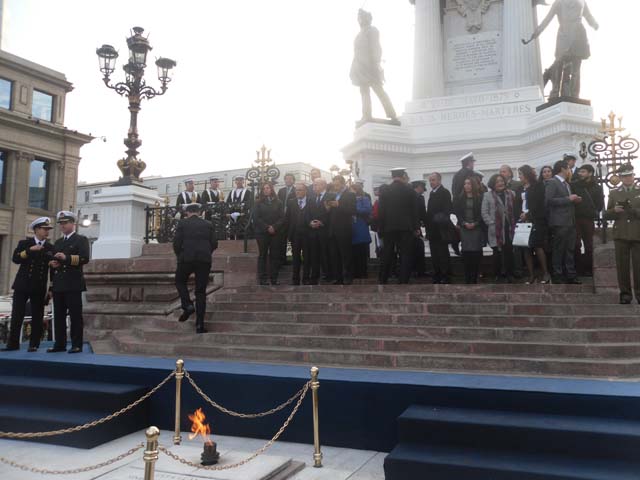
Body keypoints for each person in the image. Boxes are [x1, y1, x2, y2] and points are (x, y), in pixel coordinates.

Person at [523, 0, 598, 99]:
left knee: (576, 68)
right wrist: (535, 34)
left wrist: (595, 24)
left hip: (578, 36)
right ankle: (556, 92)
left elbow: (588, 16)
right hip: (565, 36)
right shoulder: (559, 2)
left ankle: (574, 95)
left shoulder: (581, 1)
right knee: (559, 64)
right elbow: (547, 19)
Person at [2, 217, 54, 352]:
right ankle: (13, 344)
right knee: (17, 315)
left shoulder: (50, 247)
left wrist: (51, 288)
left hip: (39, 286)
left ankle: (34, 344)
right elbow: (16, 259)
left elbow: (53, 270)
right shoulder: (25, 243)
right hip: (22, 284)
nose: (47, 232)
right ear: (36, 229)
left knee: (37, 316)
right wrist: (30, 250)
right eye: (44, 229)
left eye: (48, 229)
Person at [47, 211, 90, 353]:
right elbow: (54, 263)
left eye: (65, 223)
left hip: (73, 283)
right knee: (58, 316)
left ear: (73, 224)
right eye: (61, 223)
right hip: (59, 283)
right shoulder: (58, 242)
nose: (62, 226)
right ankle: (60, 344)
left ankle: (76, 344)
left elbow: (84, 258)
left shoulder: (80, 240)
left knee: (75, 315)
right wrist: (53, 264)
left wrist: (66, 258)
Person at [173, 203, 218, 333]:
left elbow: (176, 243)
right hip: (204, 260)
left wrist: (180, 255)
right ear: (199, 212)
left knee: (180, 281)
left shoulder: (182, 223)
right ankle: (200, 325)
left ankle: (187, 305)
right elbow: (214, 243)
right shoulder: (208, 224)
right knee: (200, 292)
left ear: (187, 213)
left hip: (186, 258)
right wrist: (206, 253)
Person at [350, 9, 398, 125]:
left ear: (368, 18)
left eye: (362, 17)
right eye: (359, 18)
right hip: (360, 68)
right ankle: (366, 115)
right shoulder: (359, 35)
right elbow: (357, 53)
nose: (359, 20)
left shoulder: (372, 30)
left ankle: (392, 115)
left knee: (379, 90)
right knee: (364, 91)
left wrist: (376, 63)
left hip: (370, 67)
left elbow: (376, 48)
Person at [604, 165, 640, 304]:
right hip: (621, 233)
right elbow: (606, 214)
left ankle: (639, 294)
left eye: (630, 175)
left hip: (637, 233)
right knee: (622, 266)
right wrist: (614, 210)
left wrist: (635, 211)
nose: (627, 178)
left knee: (638, 267)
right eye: (624, 176)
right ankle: (625, 295)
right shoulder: (614, 193)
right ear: (620, 178)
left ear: (633, 176)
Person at [545, 159, 582, 284]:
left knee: (570, 249)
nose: (570, 171)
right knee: (559, 249)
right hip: (559, 222)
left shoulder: (566, 184)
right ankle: (557, 274)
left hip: (570, 221)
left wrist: (575, 200)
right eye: (568, 168)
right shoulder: (552, 182)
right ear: (562, 169)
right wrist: (568, 199)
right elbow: (549, 200)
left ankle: (570, 274)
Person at [516, 165, 551, 284]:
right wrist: (520, 215)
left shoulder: (538, 186)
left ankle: (545, 273)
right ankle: (531, 275)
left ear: (526, 174)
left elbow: (539, 204)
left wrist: (528, 214)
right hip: (523, 221)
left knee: (538, 246)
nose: (519, 177)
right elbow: (517, 204)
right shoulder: (520, 188)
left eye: (520, 174)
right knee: (526, 248)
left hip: (536, 220)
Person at [482, 174, 516, 283]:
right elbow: (484, 212)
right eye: (497, 182)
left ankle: (510, 273)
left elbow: (515, 209)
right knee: (497, 253)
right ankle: (498, 275)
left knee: (509, 251)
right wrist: (491, 223)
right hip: (496, 229)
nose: (500, 183)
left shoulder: (511, 194)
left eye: (501, 181)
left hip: (509, 228)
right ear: (493, 184)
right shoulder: (487, 195)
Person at [571, 164, 604, 276]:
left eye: (583, 171)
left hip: (588, 219)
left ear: (590, 173)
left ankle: (589, 269)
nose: (580, 173)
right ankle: (578, 269)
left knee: (588, 245)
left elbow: (600, 204)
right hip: (576, 219)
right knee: (576, 244)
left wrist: (592, 212)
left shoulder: (597, 187)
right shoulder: (574, 185)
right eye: (580, 171)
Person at [453, 178, 485, 284]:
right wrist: (463, 223)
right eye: (465, 183)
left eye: (469, 184)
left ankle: (475, 276)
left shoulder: (480, 198)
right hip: (464, 227)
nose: (466, 186)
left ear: (473, 185)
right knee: (466, 251)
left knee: (476, 252)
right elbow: (457, 213)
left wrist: (475, 223)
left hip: (476, 227)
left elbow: (482, 213)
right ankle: (467, 277)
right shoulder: (460, 198)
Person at [253, 182, 285, 285]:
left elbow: (282, 218)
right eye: (264, 188)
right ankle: (262, 279)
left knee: (275, 256)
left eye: (268, 188)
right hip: (262, 233)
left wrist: (274, 227)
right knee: (262, 255)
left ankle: (274, 279)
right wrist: (267, 227)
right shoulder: (258, 202)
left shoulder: (279, 202)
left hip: (275, 233)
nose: (266, 190)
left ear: (271, 189)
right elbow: (256, 218)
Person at [327, 175, 357, 285]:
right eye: (334, 185)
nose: (335, 187)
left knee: (346, 254)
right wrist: (328, 207)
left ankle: (348, 277)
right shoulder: (333, 195)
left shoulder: (350, 195)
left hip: (344, 229)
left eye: (337, 185)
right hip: (333, 230)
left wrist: (338, 205)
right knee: (335, 255)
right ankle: (338, 277)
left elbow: (352, 210)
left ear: (343, 184)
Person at [306, 178, 335, 284]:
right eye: (313, 185)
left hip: (325, 230)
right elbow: (307, 213)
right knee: (314, 254)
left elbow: (333, 214)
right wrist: (310, 222)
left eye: (316, 185)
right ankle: (314, 276)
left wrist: (322, 222)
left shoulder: (331, 196)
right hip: (313, 231)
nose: (313, 187)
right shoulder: (311, 198)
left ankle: (328, 275)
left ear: (323, 185)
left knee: (326, 254)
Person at [426, 172, 453, 284]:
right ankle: (437, 274)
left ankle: (445, 275)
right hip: (432, 230)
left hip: (441, 229)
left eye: (433, 180)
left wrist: (436, 219)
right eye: (430, 180)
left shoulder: (444, 192)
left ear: (439, 180)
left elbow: (447, 210)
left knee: (442, 253)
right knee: (434, 254)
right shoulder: (432, 193)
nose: (431, 182)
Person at [285, 183, 311, 285]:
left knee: (307, 257)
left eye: (300, 190)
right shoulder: (291, 202)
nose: (298, 192)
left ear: (305, 191)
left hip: (308, 234)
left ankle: (306, 278)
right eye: (296, 190)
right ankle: (295, 279)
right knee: (295, 257)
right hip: (295, 234)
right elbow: (287, 218)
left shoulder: (311, 201)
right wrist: (288, 234)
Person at [351, 182, 372, 279]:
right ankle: (355, 272)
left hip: (361, 226)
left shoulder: (364, 198)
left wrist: (354, 209)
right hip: (352, 227)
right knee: (354, 251)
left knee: (362, 251)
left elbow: (367, 209)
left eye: (352, 189)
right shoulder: (349, 199)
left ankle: (363, 272)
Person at [278, 173, 297, 265]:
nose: (288, 180)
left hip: (292, 218)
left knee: (293, 240)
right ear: (284, 180)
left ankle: (295, 260)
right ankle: (282, 260)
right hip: (282, 218)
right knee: (282, 240)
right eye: (287, 179)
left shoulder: (296, 190)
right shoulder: (281, 191)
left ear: (293, 180)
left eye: (290, 179)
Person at [412, 180, 429, 278]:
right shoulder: (419, 198)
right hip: (415, 227)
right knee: (419, 248)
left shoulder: (409, 196)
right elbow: (421, 213)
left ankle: (415, 270)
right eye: (422, 188)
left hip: (409, 227)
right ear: (419, 187)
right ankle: (420, 271)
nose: (423, 191)